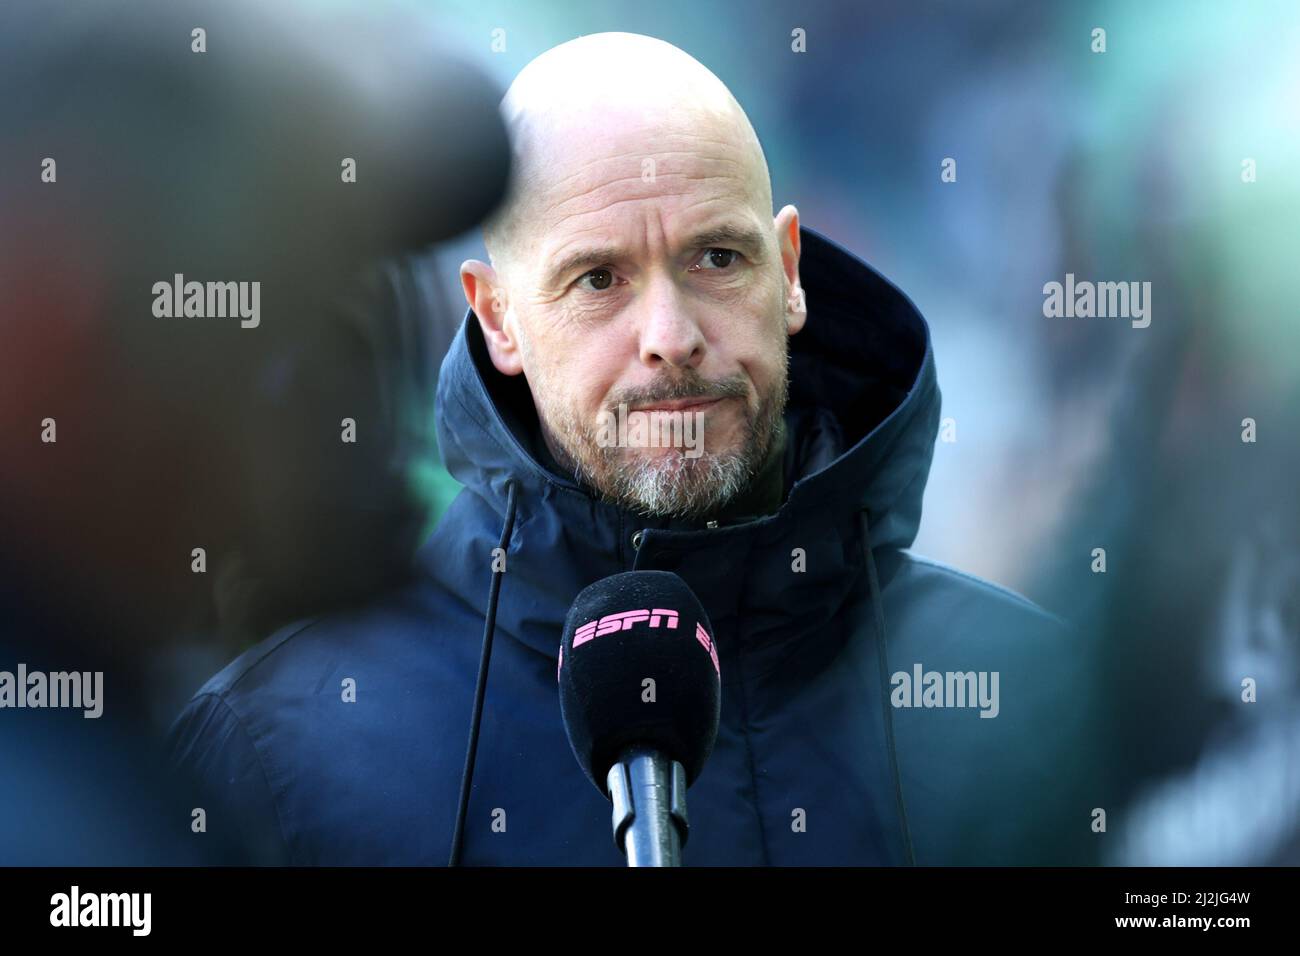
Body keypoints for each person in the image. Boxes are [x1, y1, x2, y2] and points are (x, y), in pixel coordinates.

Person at [169, 32, 1099, 865]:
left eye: (717, 260)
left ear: (790, 273)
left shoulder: (1036, 699)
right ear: (497, 318)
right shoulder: (283, 748)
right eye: (598, 277)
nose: (670, 334)